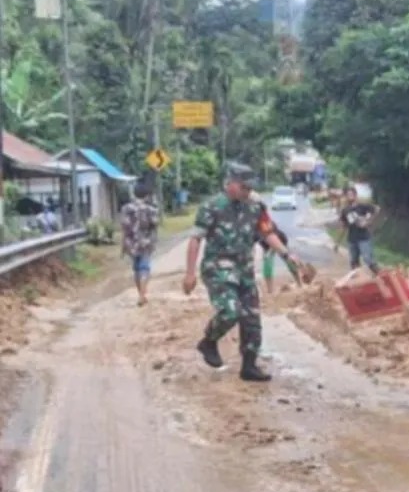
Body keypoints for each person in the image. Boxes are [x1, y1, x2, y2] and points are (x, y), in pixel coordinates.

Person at [183, 163, 300, 382]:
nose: (247, 191)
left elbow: (268, 234)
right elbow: (195, 239)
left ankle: (249, 366)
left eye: (249, 188)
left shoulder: (255, 207)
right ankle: (209, 341)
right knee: (230, 312)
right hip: (218, 269)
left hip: (244, 270)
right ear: (231, 183)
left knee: (252, 320)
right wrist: (189, 274)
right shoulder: (212, 207)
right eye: (243, 187)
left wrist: (286, 254)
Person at [120, 183, 160, 306]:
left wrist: (123, 246)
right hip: (146, 243)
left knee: (136, 269)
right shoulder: (151, 209)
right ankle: (142, 295)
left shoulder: (126, 209)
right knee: (145, 268)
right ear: (147, 195)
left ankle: (140, 295)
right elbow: (155, 225)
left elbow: (124, 228)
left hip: (131, 243)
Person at [339, 185, 381, 275]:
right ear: (346, 196)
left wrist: (368, 222)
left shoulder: (362, 206)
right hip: (352, 239)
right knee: (354, 262)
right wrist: (337, 243)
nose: (350, 196)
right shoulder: (345, 210)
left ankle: (381, 276)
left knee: (368, 259)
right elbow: (344, 226)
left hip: (363, 238)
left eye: (351, 194)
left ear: (355, 195)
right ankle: (358, 281)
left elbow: (377, 209)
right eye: (348, 195)